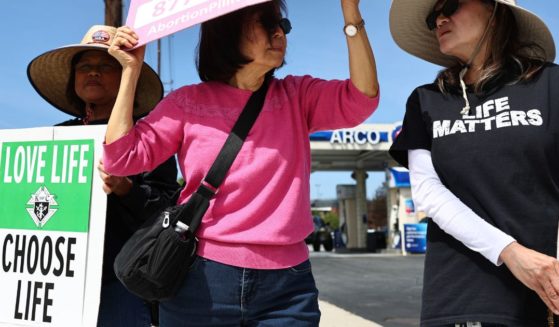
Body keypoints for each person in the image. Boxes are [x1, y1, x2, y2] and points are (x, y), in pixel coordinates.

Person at [102, 0, 379, 325]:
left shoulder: (297, 95)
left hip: (287, 288)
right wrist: (130, 70)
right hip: (200, 280)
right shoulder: (186, 102)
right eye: (265, 23)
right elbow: (120, 158)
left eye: (282, 25)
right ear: (227, 31)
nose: (279, 32)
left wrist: (351, 15)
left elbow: (362, 99)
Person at [389, 0, 559, 325]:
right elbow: (428, 194)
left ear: (495, 13)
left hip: (546, 294)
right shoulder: (427, 100)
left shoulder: (551, 86)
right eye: (431, 17)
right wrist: (510, 252)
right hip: (459, 297)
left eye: (451, 5)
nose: (439, 18)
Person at [27, 25, 180, 327]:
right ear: (74, 80)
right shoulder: (57, 136)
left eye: (106, 66)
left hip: (121, 285)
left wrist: (126, 189)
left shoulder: (150, 138)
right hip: (59, 283)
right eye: (85, 67)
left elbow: (166, 211)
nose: (93, 73)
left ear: (127, 75)